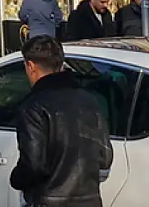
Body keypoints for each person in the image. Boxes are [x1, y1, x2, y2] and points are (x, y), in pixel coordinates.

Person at [11, 35, 113, 207]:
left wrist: (16, 179)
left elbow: (35, 164)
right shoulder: (89, 101)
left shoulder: (34, 106)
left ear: (30, 66)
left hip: (48, 200)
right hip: (90, 201)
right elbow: (105, 158)